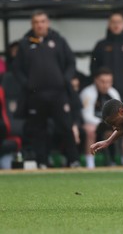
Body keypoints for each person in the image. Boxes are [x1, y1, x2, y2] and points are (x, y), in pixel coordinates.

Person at [12, 10, 80, 168]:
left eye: (42, 21)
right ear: (32, 24)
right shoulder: (25, 43)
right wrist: (27, 84)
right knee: (38, 130)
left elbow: (71, 62)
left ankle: (74, 160)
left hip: (58, 93)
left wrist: (65, 80)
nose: (39, 25)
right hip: (35, 94)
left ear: (47, 22)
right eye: (36, 22)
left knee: (65, 126)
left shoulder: (59, 40)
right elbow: (16, 68)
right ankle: (42, 161)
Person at [80, 67, 123, 168]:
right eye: (102, 82)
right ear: (96, 80)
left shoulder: (113, 93)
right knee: (89, 130)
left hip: (111, 124)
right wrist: (105, 123)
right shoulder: (87, 93)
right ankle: (90, 164)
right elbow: (86, 116)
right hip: (95, 124)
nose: (105, 85)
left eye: (109, 82)